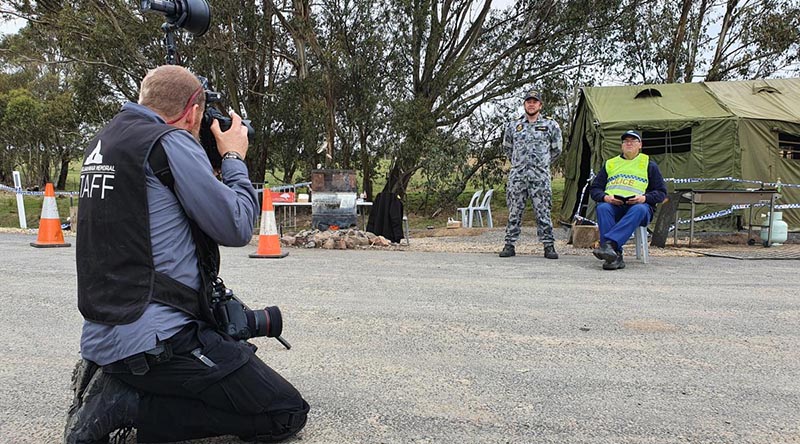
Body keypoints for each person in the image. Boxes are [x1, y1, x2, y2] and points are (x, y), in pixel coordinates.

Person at [65, 65, 309, 444]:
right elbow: (237, 225)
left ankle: (114, 380)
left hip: (102, 333)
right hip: (158, 340)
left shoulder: (106, 142)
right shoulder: (169, 142)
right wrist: (233, 159)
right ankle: (127, 406)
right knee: (284, 411)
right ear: (194, 111)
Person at [589, 130, 667, 270]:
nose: (629, 143)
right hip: (615, 206)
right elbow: (595, 189)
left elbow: (661, 193)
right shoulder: (610, 164)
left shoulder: (649, 164)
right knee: (603, 207)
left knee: (639, 209)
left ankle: (609, 245)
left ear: (640, 145)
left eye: (633, 141)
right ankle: (614, 256)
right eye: (626, 141)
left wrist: (644, 198)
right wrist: (606, 197)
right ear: (621, 146)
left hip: (639, 209)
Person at [499, 88, 562, 259]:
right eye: (528, 101)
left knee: (543, 211)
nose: (531, 104)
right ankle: (509, 244)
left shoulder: (550, 125)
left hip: (540, 177)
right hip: (518, 176)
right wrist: (520, 165)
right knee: (514, 211)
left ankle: (548, 246)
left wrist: (541, 165)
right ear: (524, 104)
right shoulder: (513, 125)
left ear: (540, 105)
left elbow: (556, 150)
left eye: (535, 101)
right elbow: (508, 149)